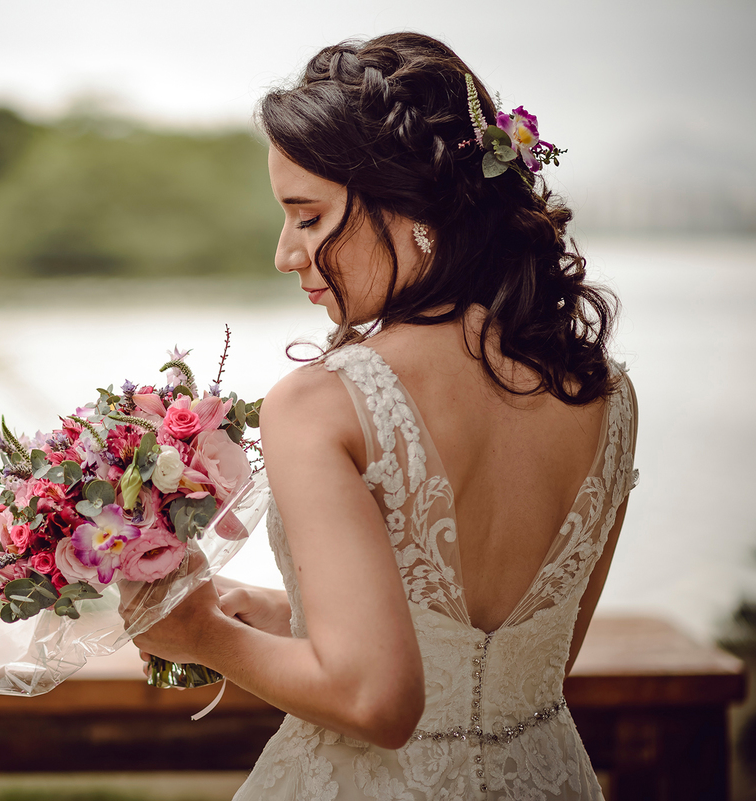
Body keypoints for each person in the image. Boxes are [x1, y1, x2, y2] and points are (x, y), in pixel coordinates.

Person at [132, 32, 638, 800]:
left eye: (307, 217)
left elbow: (376, 700)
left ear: (410, 207)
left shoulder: (322, 403)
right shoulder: (604, 394)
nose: (285, 253)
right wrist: (278, 611)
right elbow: (524, 665)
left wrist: (198, 631)